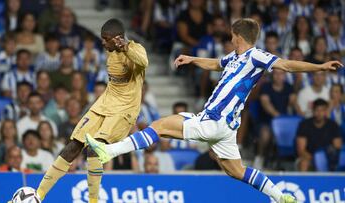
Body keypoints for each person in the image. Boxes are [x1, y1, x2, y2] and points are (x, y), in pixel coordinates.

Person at [87, 18, 343, 203]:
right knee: (236, 171)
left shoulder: (256, 56)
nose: (230, 39)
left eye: (232, 36)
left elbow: (285, 65)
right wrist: (192, 59)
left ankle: (109, 151)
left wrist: (319, 67)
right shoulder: (234, 58)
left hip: (214, 120)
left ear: (238, 37)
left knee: (159, 126)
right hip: (226, 129)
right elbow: (216, 64)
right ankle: (280, 197)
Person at [36, 18, 148, 203]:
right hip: (103, 104)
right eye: (102, 38)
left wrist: (126, 47)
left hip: (124, 110)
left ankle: (93, 201)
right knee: (73, 146)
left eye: (106, 39)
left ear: (118, 38)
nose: (103, 42)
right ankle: (38, 195)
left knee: (95, 147)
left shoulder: (136, 49)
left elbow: (143, 63)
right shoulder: (111, 50)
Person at [296, 99, 342, 171]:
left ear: (326, 111)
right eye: (317, 110)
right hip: (309, 158)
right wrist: (317, 159)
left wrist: (324, 158)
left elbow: (338, 146)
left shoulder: (333, 125)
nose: (319, 113)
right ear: (313, 111)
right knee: (304, 163)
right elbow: (301, 150)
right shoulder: (304, 125)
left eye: (322, 110)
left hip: (329, 158)